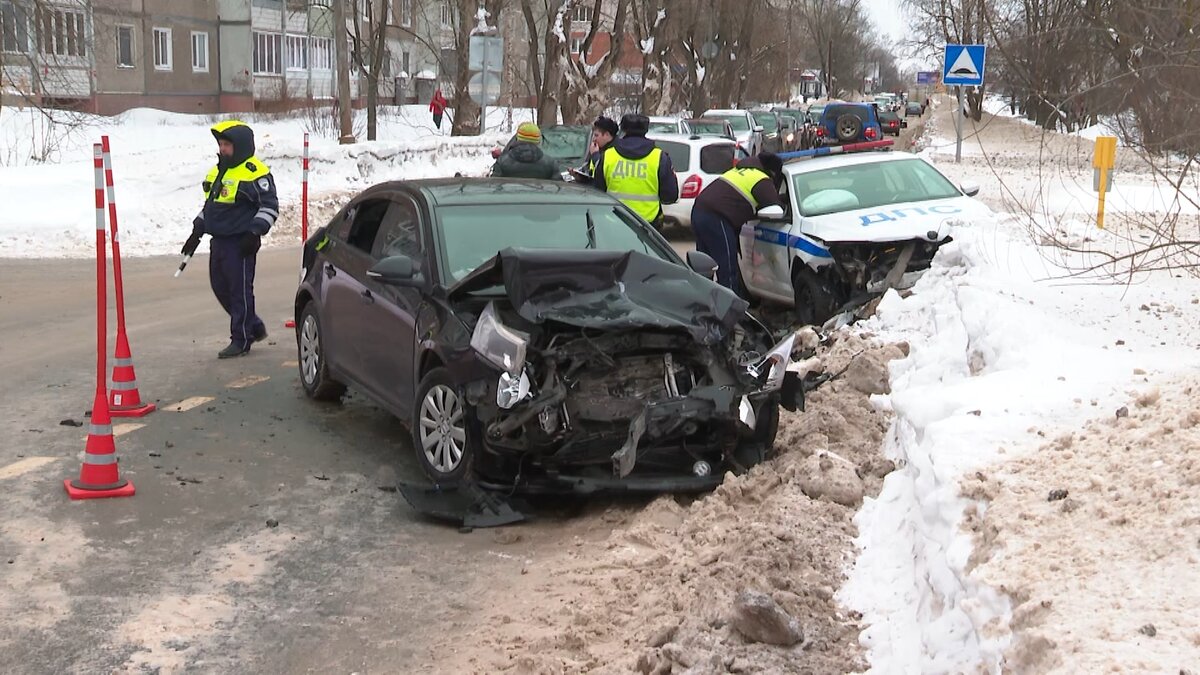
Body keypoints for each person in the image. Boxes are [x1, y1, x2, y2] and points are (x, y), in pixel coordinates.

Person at [181, 120, 279, 359]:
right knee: (220, 286)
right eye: (221, 144)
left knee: (239, 291)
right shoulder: (218, 171)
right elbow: (211, 206)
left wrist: (254, 232)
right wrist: (197, 230)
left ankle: (241, 339)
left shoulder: (255, 173)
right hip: (219, 241)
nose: (223, 149)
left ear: (241, 146)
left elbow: (270, 206)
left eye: (227, 145)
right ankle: (253, 326)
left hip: (240, 242)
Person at [689, 152, 784, 296]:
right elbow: (775, 206)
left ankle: (700, 303)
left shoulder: (739, 171)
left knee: (704, 266)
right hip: (717, 217)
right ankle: (731, 310)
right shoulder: (761, 179)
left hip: (699, 211)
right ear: (773, 173)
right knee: (727, 268)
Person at [591, 114, 679, 230]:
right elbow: (670, 196)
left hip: (613, 222)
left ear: (623, 129)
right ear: (646, 129)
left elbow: (598, 191)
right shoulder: (659, 157)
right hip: (648, 226)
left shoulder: (608, 156)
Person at [490, 122, 562, 180]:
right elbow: (558, 190)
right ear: (538, 141)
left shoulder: (503, 161)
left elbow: (494, 187)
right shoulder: (550, 163)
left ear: (518, 139)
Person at [570, 115, 618, 185]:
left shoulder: (617, 151)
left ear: (607, 135)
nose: (594, 139)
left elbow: (605, 179)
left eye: (596, 135)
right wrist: (579, 177)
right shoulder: (597, 149)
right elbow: (593, 177)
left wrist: (595, 156)